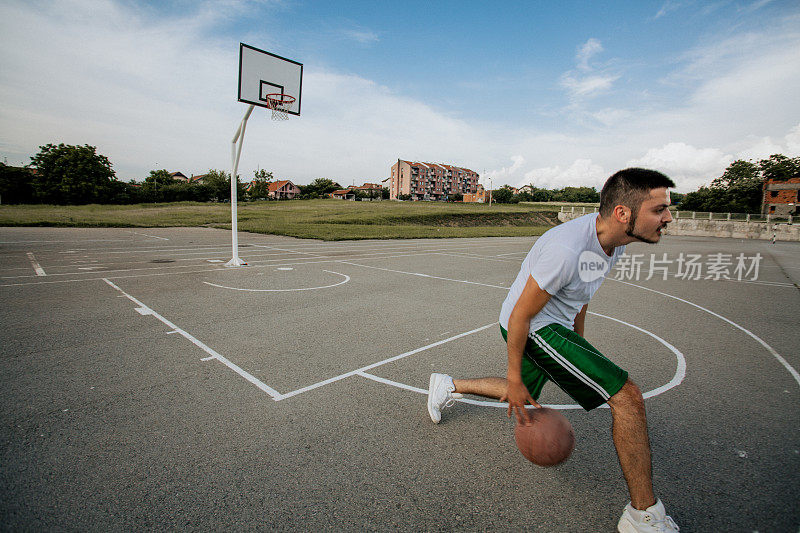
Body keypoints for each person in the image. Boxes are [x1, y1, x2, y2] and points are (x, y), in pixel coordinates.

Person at [427, 168, 680, 532]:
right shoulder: (567, 249)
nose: (668, 218)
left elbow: (581, 298)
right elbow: (519, 317)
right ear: (624, 213)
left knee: (523, 394)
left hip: (552, 325)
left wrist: (580, 342)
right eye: (659, 210)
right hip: (533, 327)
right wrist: (514, 374)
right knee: (628, 398)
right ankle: (643, 516)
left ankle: (448, 384)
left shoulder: (613, 245)